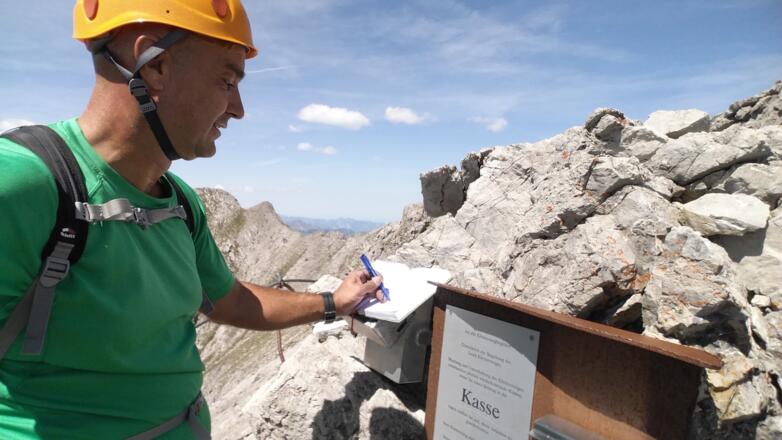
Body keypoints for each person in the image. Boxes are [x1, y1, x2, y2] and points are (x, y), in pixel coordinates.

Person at [0, 1, 385, 438]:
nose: (238, 109)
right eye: (227, 81)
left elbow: (231, 301)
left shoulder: (180, 202)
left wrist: (334, 302)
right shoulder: (21, 182)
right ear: (155, 65)